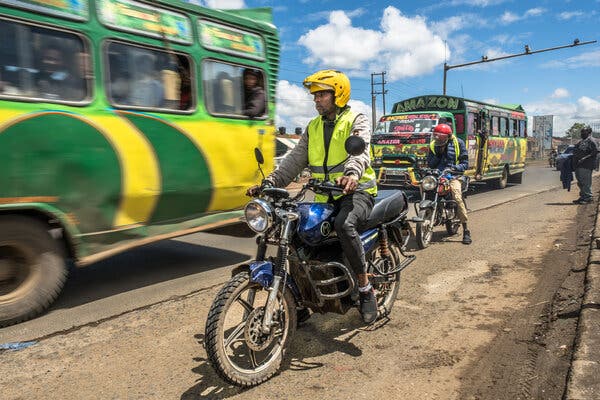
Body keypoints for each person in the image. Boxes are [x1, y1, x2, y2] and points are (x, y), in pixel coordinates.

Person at [246, 69, 379, 324]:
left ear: (338, 95)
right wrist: (270, 182)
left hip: (357, 191)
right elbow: (295, 160)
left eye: (322, 95)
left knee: (344, 224)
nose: (316, 100)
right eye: (315, 96)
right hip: (325, 195)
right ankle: (303, 295)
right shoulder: (314, 127)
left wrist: (351, 175)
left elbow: (360, 151)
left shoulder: (356, 119)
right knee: (299, 231)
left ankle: (364, 289)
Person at [427, 123, 472, 244]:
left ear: (448, 136)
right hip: (437, 176)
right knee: (424, 187)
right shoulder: (433, 146)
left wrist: (453, 168)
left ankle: (466, 230)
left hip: (453, 175)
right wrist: (438, 153)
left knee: (457, 197)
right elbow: (430, 164)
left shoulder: (459, 143)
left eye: (440, 137)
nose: (437, 139)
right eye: (435, 136)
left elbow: (465, 163)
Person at [571, 125, 598, 204]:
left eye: (584, 131)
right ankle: (583, 196)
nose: (582, 133)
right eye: (581, 132)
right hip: (579, 165)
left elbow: (595, 152)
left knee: (585, 182)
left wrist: (584, 158)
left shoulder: (592, 141)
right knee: (580, 182)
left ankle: (588, 198)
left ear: (589, 132)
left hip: (586, 165)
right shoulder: (582, 141)